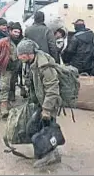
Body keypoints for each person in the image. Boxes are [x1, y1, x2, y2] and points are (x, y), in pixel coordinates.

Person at [16, 39, 62, 168]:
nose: (19, 57)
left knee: (47, 130)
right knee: (34, 128)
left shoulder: (45, 66)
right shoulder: (31, 62)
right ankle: (48, 153)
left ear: (30, 53)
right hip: (40, 101)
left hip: (49, 103)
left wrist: (47, 109)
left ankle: (49, 156)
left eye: (21, 54)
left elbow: (53, 88)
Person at [0, 22, 23, 118]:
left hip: (16, 68)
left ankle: (9, 104)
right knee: (4, 87)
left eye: (18, 32)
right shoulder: (3, 41)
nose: (16, 34)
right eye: (15, 31)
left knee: (12, 87)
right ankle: (4, 108)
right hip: (5, 68)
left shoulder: (22, 42)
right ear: (10, 31)